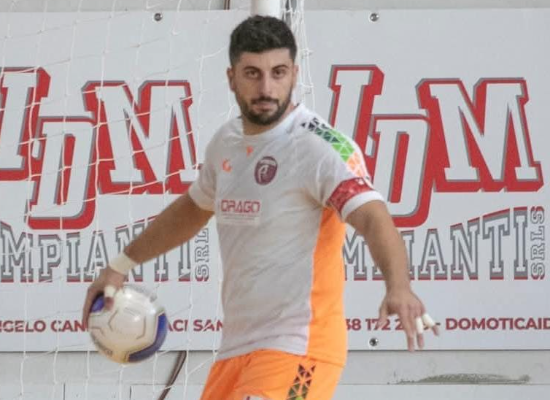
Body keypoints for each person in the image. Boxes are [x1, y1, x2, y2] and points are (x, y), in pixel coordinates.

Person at [82, 15, 437, 400]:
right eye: (253, 73)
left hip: (301, 347)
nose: (266, 87)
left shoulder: (319, 147)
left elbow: (372, 216)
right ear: (231, 77)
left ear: (294, 74)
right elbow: (194, 208)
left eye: (278, 72)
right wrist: (120, 265)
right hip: (237, 350)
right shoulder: (226, 142)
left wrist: (399, 287)